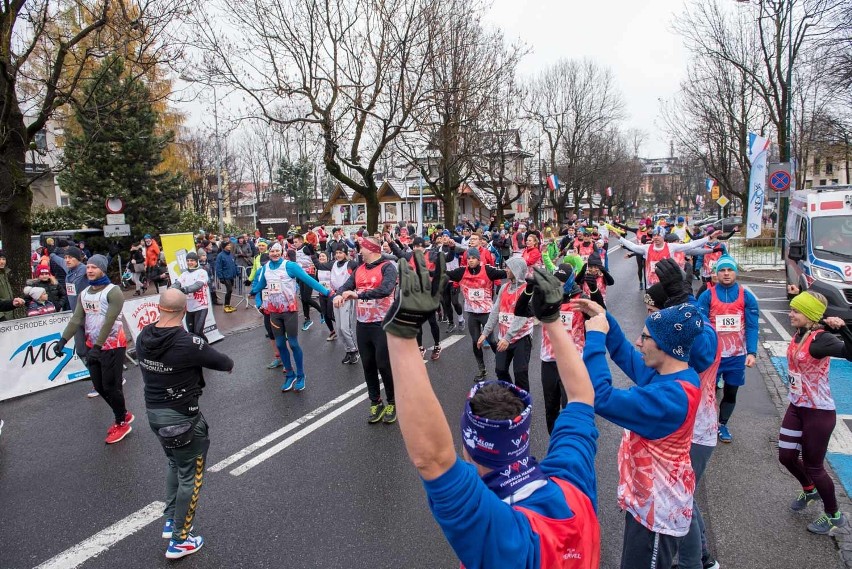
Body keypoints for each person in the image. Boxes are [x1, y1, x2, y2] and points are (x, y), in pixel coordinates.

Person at [384, 255, 600, 568]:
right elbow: (580, 397)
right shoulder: (571, 480)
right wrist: (551, 319)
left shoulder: (503, 533)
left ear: (469, 449)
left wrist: (401, 333)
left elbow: (432, 459)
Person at [576, 298, 703, 569]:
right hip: (646, 502)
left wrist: (595, 338)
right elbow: (628, 356)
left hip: (658, 514)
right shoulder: (675, 376)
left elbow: (601, 397)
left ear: (666, 347)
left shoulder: (670, 398)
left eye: (645, 337)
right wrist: (605, 318)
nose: (638, 342)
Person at [136, 289, 235, 559]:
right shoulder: (188, 342)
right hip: (182, 417)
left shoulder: (144, 335)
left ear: (159, 307)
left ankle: (170, 520)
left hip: (154, 414)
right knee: (190, 475)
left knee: (173, 463)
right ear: (184, 310)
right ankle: (180, 539)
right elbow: (224, 362)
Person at [780, 287, 852, 535]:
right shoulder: (800, 332)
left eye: (795, 310)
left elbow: (850, 353)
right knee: (786, 457)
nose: (790, 314)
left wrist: (842, 329)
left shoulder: (821, 340)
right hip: (797, 406)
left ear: (809, 314)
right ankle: (810, 490)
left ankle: (834, 515)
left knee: (814, 466)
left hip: (818, 413)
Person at [54, 255, 133, 444]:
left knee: (111, 387)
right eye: (88, 267)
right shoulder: (85, 293)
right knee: (98, 386)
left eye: (94, 267)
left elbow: (110, 321)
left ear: (102, 270)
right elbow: (76, 319)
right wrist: (63, 340)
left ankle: (122, 422)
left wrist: (98, 346)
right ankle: (123, 413)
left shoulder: (113, 292)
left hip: (112, 345)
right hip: (93, 345)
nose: (89, 270)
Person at [333, 236, 399, 423]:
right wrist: (339, 296)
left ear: (372, 249)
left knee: (384, 365)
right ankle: (375, 402)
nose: (359, 251)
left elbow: (385, 290)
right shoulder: (359, 269)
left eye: (362, 248)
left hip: (383, 324)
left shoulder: (387, 267)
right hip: (363, 324)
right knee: (368, 364)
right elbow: (345, 287)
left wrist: (358, 295)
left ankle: (392, 402)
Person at [696, 255, 759, 443]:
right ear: (716, 273)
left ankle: (722, 424)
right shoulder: (707, 295)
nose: (726, 274)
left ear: (735, 272)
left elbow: (752, 325)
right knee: (708, 392)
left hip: (736, 355)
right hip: (713, 355)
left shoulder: (746, 296)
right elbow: (700, 325)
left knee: (731, 392)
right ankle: (706, 423)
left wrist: (752, 352)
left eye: (729, 270)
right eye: (722, 270)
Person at [251, 242, 329, 391]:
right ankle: (290, 375)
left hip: (289, 311)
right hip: (274, 312)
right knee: (280, 344)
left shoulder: (290, 266)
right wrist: (253, 292)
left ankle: (300, 376)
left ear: (282, 252)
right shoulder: (266, 268)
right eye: (272, 251)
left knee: (293, 343)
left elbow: (309, 280)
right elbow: (261, 284)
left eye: (276, 251)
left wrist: (327, 292)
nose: (274, 253)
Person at [523, 263, 588, 434]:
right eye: (555, 281)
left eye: (561, 282)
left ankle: (569, 444)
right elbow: (522, 310)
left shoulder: (581, 299)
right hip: (549, 361)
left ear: (569, 281)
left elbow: (598, 323)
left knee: (569, 408)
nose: (558, 285)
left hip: (573, 362)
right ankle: (554, 440)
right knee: (551, 407)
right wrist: (530, 291)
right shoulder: (548, 297)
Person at [446, 247, 507, 380]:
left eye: (473, 258)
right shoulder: (462, 271)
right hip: (472, 313)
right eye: (468, 258)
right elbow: (445, 274)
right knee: (475, 342)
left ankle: (501, 366)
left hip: (486, 312)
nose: (470, 261)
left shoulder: (488, 270)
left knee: (490, 340)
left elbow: (505, 273)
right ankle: (482, 369)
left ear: (478, 259)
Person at [478, 257, 532, 392]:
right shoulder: (504, 287)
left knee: (520, 374)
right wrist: (485, 332)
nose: (506, 270)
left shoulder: (527, 290)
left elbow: (522, 317)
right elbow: (495, 311)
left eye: (509, 267)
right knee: (500, 370)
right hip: (503, 337)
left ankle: (525, 403)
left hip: (521, 338)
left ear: (517, 270)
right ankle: (512, 395)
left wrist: (508, 337)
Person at [172, 252, 210, 341]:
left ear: (196, 261)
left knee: (198, 331)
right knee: (191, 333)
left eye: (192, 260)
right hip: (189, 308)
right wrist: (171, 289)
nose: (189, 262)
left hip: (201, 307)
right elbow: (177, 283)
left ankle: (207, 349)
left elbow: (198, 285)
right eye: (188, 260)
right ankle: (197, 351)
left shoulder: (202, 272)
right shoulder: (184, 274)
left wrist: (185, 289)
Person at [290, 234, 323, 330]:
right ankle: (307, 319)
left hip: (309, 275)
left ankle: (322, 311)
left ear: (301, 241)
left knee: (307, 298)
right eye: (294, 242)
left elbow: (313, 253)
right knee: (303, 299)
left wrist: (311, 248)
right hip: (301, 276)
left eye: (296, 242)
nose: (294, 244)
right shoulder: (297, 250)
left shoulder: (305, 248)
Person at [214, 241, 238, 312]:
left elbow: (234, 264)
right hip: (225, 276)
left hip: (231, 275)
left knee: (230, 291)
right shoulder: (220, 256)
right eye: (228, 245)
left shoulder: (231, 255)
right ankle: (226, 306)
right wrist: (220, 277)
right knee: (229, 290)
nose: (230, 246)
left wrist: (237, 272)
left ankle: (228, 305)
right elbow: (218, 267)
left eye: (230, 245)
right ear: (224, 247)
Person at [0, 250, 16, 321]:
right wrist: (1, 317)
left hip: (9, 313)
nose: (2, 261)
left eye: (3, 259)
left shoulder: (4, 274)